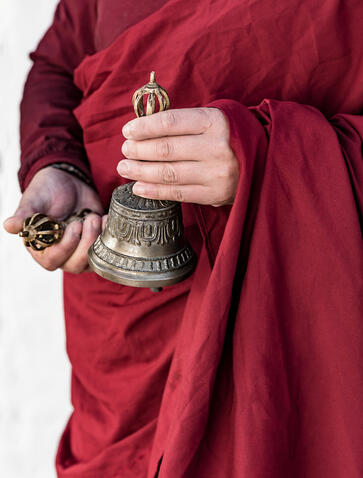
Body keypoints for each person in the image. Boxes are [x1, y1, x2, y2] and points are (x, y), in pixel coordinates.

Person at [3, 0, 363, 477]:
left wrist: (269, 160)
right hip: (122, 337)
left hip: (281, 315)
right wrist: (55, 161)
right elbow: (59, 59)